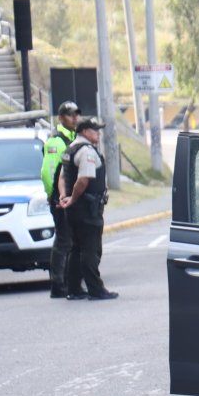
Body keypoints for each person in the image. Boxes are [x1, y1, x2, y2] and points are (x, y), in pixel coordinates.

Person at [58, 117, 118, 301]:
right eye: (95, 130)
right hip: (87, 208)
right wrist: (73, 198)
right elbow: (83, 180)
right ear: (84, 132)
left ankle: (74, 289)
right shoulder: (87, 152)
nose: (98, 134)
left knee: (76, 249)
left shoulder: (70, 149)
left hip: (73, 209)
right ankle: (95, 289)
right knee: (91, 249)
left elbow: (62, 177)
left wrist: (63, 197)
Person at [41, 101, 79, 298]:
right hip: (60, 199)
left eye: (76, 114)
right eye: (71, 115)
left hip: (69, 198)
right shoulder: (56, 141)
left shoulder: (71, 138)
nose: (75, 118)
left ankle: (67, 280)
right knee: (63, 240)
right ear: (61, 117)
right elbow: (48, 173)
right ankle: (58, 283)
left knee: (69, 239)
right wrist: (54, 196)